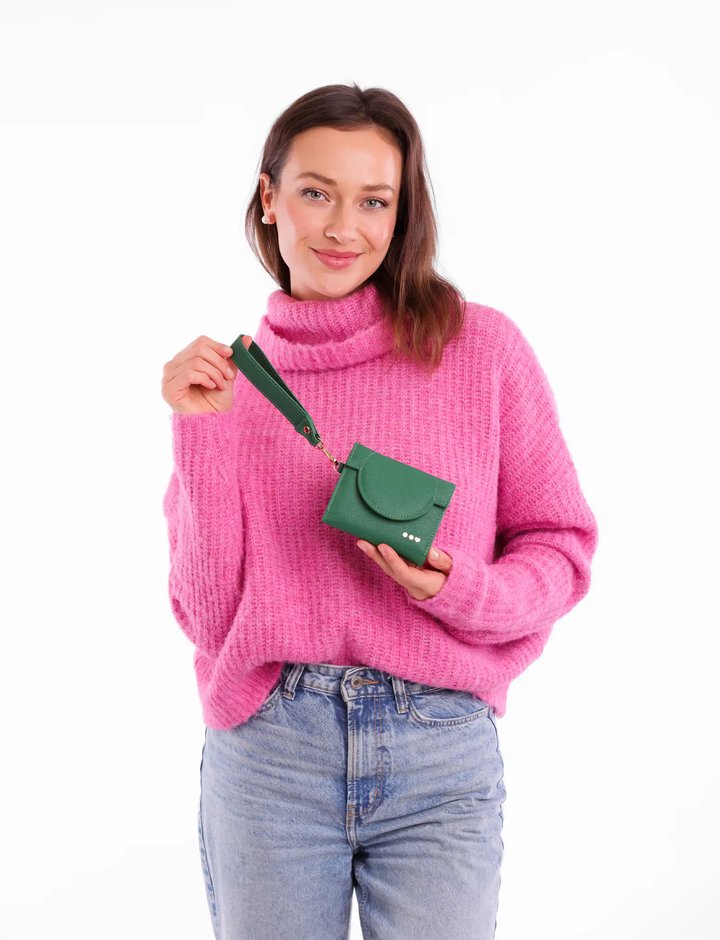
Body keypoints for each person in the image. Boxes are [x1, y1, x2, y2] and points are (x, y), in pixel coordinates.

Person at [160, 82, 599, 940]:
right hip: (271, 755)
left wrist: (456, 589)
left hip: (440, 747)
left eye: (374, 201)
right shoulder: (228, 387)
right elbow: (207, 620)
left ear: (403, 213)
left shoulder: (481, 350)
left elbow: (561, 547)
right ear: (269, 197)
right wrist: (199, 432)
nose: (342, 227)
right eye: (316, 192)